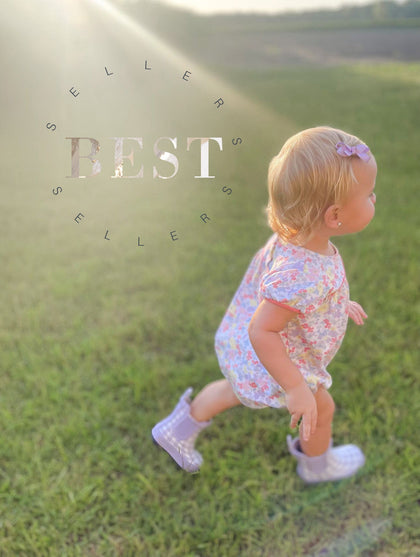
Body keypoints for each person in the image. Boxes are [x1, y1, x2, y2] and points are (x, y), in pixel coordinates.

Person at [151, 126, 377, 483]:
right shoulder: (303, 271)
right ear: (334, 216)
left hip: (253, 355)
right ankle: (317, 467)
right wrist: (296, 388)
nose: (374, 199)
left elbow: (300, 300)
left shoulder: (297, 238)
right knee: (320, 407)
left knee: (232, 389)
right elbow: (264, 327)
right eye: (369, 194)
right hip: (281, 359)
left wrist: (336, 305)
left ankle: (176, 430)